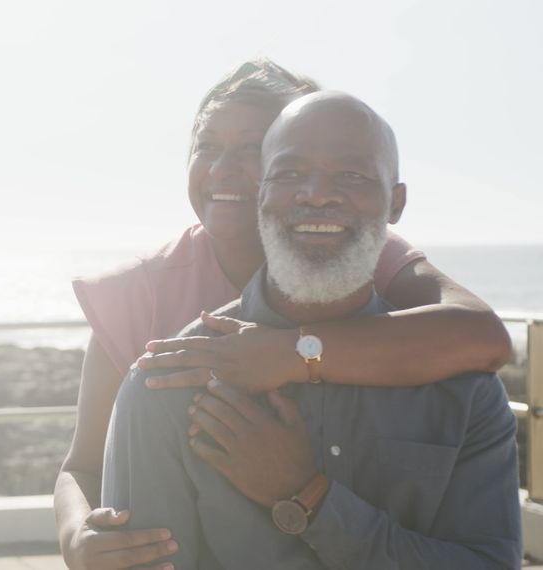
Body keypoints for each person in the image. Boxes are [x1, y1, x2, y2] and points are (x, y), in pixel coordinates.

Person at [54, 60, 513, 569]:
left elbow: (482, 335)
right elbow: (84, 463)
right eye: (207, 146)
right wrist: (77, 535)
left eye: (250, 149)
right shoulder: (149, 327)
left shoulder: (371, 254)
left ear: (391, 202)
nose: (317, 195)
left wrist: (293, 354)